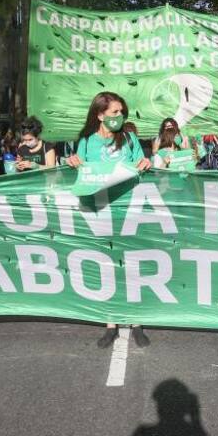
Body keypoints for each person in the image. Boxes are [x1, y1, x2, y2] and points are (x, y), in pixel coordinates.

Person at [65, 91, 152, 348]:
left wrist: (147, 161)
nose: (119, 116)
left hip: (129, 208)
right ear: (100, 115)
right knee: (107, 265)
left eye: (121, 111)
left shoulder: (130, 138)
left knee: (133, 264)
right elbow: (80, 172)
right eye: (114, 112)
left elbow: (141, 164)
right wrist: (72, 162)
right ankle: (110, 323)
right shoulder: (87, 142)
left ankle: (136, 321)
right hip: (100, 209)